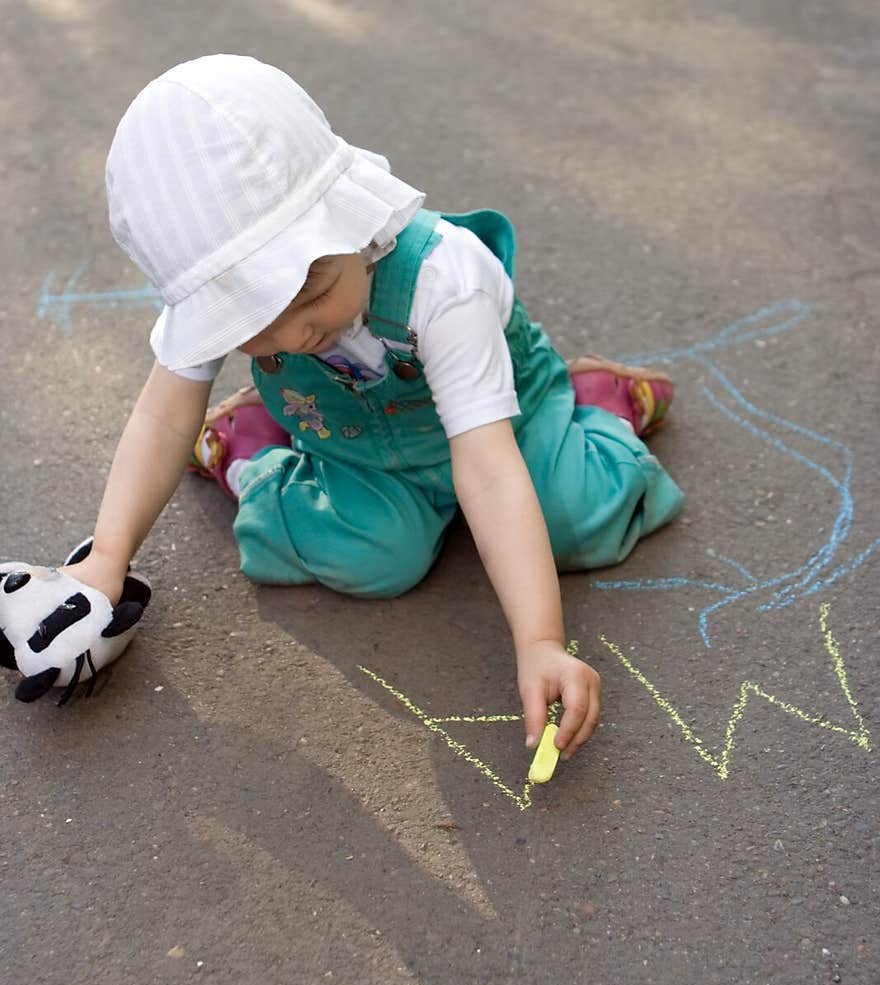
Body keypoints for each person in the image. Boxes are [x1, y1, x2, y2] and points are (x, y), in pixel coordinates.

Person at [69, 54, 684, 762]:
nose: (293, 335)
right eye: (252, 321)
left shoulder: (443, 279)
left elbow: (485, 467)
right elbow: (162, 415)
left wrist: (540, 642)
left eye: (310, 294)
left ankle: (601, 404)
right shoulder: (278, 301)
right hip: (352, 441)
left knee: (576, 520)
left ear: (352, 223)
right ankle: (248, 444)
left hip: (503, 421)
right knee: (373, 560)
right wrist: (106, 559)